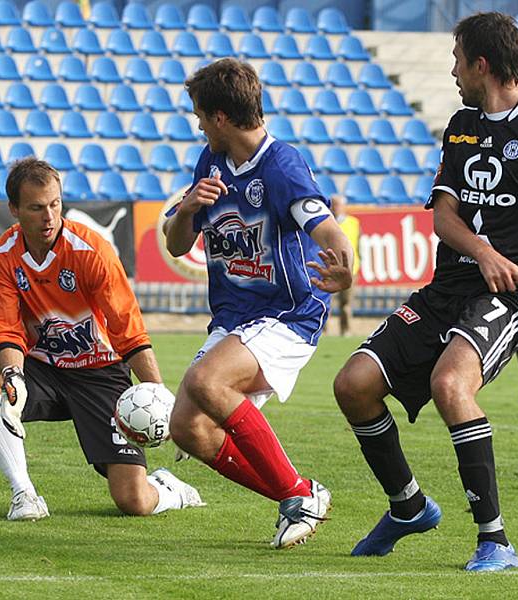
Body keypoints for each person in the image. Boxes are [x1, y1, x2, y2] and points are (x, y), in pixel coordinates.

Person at [333, 12, 518, 572]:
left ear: (482, 64)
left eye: (457, 60)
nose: (452, 71)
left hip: (516, 288)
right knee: (353, 384)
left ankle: (495, 540)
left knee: (451, 384)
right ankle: (407, 507)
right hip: (451, 282)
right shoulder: (461, 125)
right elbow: (444, 218)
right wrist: (482, 251)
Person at [162, 58, 353, 549]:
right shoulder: (211, 161)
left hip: (287, 314)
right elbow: (176, 244)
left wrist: (345, 263)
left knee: (207, 382)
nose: (199, 125)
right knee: (186, 427)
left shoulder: (280, 165)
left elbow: (324, 224)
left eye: (201, 116)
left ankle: (295, 495)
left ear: (221, 117)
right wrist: (187, 209)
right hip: (233, 319)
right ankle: (301, 493)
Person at [0, 157, 203, 521]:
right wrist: (13, 377)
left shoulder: (92, 251)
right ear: (13, 209)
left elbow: (129, 330)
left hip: (100, 375)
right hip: (41, 369)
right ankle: (24, 495)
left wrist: (165, 402)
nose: (48, 217)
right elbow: (7, 329)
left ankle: (170, 488)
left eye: (55, 204)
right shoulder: (1, 256)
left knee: (132, 501)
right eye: (36, 208)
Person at [331, 194, 361, 336]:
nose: (335, 208)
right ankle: (323, 332)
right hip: (329, 269)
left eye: (337, 205)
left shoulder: (353, 223)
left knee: (346, 304)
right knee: (326, 303)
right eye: (333, 205)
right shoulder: (327, 223)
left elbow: (359, 245)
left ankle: (346, 330)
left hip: (350, 269)